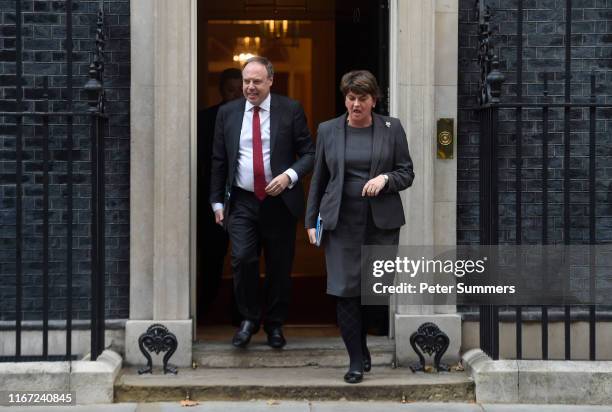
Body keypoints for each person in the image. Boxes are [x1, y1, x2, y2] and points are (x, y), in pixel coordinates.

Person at [305, 70, 414, 383]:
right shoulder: (328, 130)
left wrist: (385, 179)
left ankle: (362, 345)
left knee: (374, 292)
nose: (355, 104)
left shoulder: (392, 129)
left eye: (362, 98)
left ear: (373, 100)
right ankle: (355, 358)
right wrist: (311, 220)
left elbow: (407, 172)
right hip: (340, 222)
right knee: (345, 291)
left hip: (380, 223)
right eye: (350, 98)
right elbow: (320, 179)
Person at [210, 56, 315, 349]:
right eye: (246, 81)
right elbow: (219, 159)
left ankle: (275, 325)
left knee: (280, 266)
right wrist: (217, 202)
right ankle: (248, 319)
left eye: (256, 81)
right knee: (242, 259)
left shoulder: (290, 110)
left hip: (278, 202)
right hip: (242, 200)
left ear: (271, 81)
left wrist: (289, 176)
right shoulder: (228, 113)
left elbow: (309, 153)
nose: (250, 87)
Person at [198, 68, 243, 324]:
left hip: (246, 200)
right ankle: (205, 309)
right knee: (212, 258)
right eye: (231, 89)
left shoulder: (256, 118)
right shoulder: (205, 120)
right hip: (213, 199)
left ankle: (240, 312)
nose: (237, 94)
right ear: (221, 91)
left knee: (243, 258)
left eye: (240, 88)